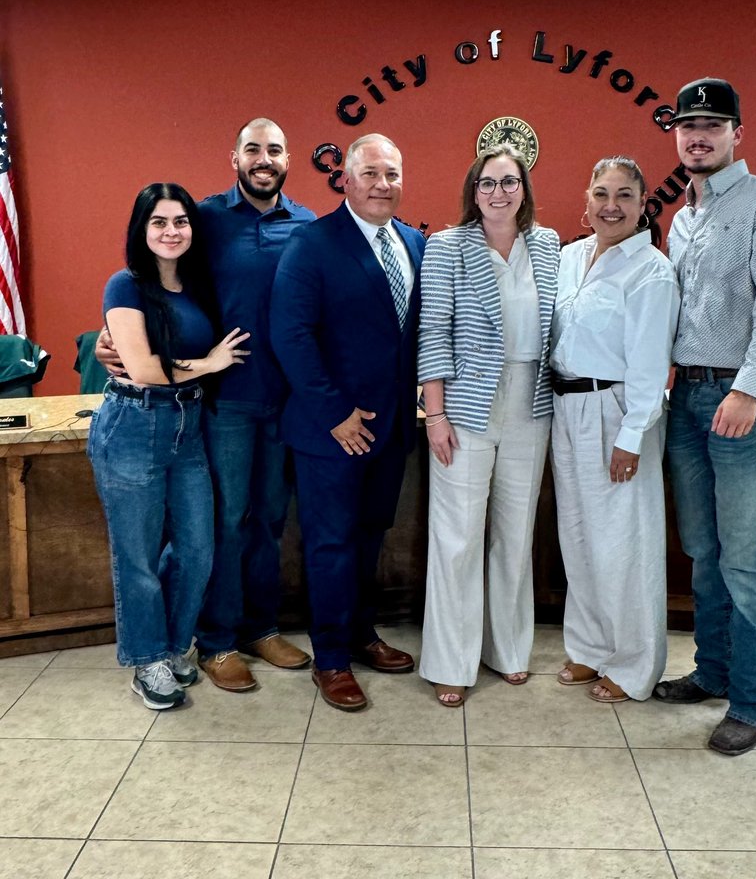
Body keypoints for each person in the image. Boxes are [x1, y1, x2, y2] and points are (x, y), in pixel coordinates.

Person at [98, 119, 317, 693]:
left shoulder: (309, 225)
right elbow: (151, 286)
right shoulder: (207, 219)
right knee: (223, 524)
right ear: (235, 157)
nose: (263, 158)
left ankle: (260, 628)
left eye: (273, 149)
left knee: (270, 521)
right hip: (223, 405)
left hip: (285, 403)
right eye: (252, 149)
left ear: (288, 158)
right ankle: (216, 640)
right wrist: (109, 341)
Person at [652, 78, 756, 757]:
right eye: (688, 126)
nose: (699, 136)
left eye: (713, 124)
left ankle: (753, 700)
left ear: (739, 132)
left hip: (745, 401)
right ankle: (712, 673)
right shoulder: (684, 217)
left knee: (744, 558)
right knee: (703, 553)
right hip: (688, 399)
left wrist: (744, 391)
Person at [270, 133, 426, 712]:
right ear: (346, 179)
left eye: (392, 174)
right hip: (330, 430)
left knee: (369, 537)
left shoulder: (413, 242)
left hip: (389, 431)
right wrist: (335, 413)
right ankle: (331, 658)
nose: (383, 184)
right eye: (370, 174)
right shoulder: (312, 243)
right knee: (331, 544)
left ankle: (362, 636)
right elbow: (290, 335)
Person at [88, 183, 249, 710]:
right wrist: (208, 365)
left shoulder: (198, 287)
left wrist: (198, 374)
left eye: (180, 221)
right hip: (132, 425)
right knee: (135, 558)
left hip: (189, 428)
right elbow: (144, 370)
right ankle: (147, 660)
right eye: (159, 222)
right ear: (141, 229)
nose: (171, 231)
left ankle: (178, 645)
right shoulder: (125, 285)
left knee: (198, 549)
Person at [418, 145, 559, 707]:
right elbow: (433, 334)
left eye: (509, 182)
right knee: (456, 538)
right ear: (472, 192)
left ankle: (508, 649)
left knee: (515, 532)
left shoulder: (548, 246)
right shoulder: (448, 247)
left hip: (533, 402)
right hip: (466, 407)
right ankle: (451, 661)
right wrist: (435, 414)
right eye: (487, 183)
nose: (498, 192)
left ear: (524, 189)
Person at [550, 157, 680, 705]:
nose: (611, 205)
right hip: (565, 406)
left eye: (624, 195)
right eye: (601, 193)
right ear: (586, 200)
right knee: (578, 536)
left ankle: (632, 665)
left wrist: (631, 437)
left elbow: (651, 367)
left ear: (643, 204)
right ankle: (589, 647)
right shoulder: (569, 257)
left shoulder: (651, 271)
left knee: (623, 543)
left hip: (619, 411)